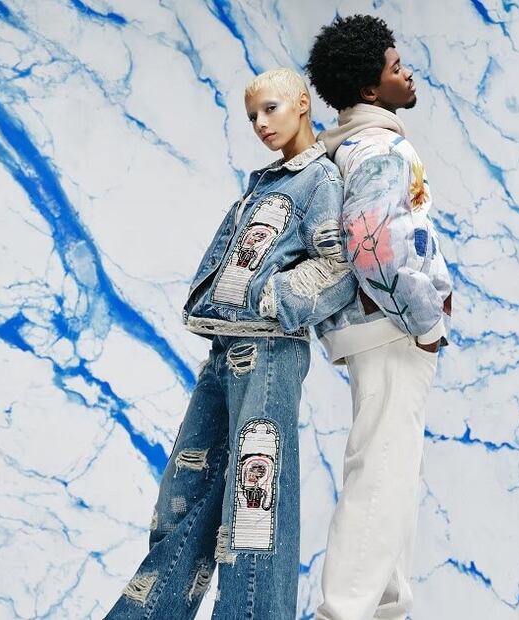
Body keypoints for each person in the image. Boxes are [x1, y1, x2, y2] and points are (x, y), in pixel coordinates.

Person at [104, 68, 356, 620]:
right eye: (252, 116)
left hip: (268, 353)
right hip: (225, 349)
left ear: (302, 104)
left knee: (253, 508)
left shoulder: (319, 180)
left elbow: (338, 267)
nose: (260, 123)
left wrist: (267, 296)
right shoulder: (267, 181)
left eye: (270, 109)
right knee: (185, 491)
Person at [306, 15, 453, 620]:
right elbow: (371, 247)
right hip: (392, 327)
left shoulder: (346, 147)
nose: (407, 72)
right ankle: (344, 612)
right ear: (371, 89)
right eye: (396, 67)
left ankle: (386, 608)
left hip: (375, 326)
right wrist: (425, 320)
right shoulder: (381, 148)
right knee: (382, 472)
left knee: (393, 469)